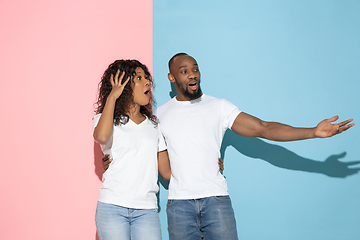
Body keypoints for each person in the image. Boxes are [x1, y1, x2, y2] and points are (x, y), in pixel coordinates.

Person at [153, 53, 355, 240]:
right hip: (179, 205)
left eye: (195, 69)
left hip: (216, 201)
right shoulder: (161, 115)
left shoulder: (218, 106)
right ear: (172, 77)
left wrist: (312, 131)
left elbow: (263, 128)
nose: (192, 75)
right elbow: (166, 172)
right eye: (184, 71)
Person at [93, 59, 171, 240]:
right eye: (138, 78)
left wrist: (204, 161)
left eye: (146, 78)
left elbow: (167, 172)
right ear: (124, 85)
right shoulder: (104, 119)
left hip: (146, 209)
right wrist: (112, 96)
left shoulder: (154, 126)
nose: (147, 82)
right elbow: (102, 137)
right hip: (112, 206)